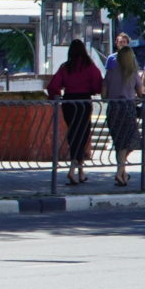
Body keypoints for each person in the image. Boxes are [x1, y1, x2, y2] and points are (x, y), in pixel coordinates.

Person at [46, 38, 103, 185]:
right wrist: (91, 90)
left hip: (69, 102)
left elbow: (53, 86)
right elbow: (98, 85)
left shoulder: (66, 67)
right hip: (84, 102)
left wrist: (55, 97)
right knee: (82, 135)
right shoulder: (90, 66)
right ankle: (76, 169)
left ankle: (77, 170)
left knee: (73, 134)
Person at [102, 33, 145, 187]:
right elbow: (140, 92)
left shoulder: (111, 71)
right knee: (130, 140)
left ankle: (121, 171)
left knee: (118, 140)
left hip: (113, 107)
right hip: (127, 107)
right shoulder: (133, 73)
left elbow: (104, 93)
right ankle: (121, 171)